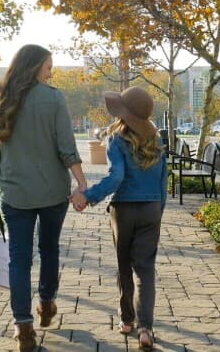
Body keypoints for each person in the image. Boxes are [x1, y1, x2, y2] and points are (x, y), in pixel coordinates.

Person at [0, 44, 87, 352]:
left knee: (19, 259)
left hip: (15, 194)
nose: (50, 73)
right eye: (48, 67)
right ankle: (47, 303)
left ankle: (23, 326)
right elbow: (66, 147)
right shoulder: (53, 99)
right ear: (35, 65)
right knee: (49, 250)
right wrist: (81, 183)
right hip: (52, 192)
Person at [70, 86, 167, 352]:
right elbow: (163, 182)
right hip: (151, 209)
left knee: (124, 266)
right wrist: (158, 212)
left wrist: (88, 196)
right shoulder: (156, 140)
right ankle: (145, 328)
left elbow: (116, 177)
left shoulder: (117, 139)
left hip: (124, 211)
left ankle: (126, 320)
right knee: (145, 270)